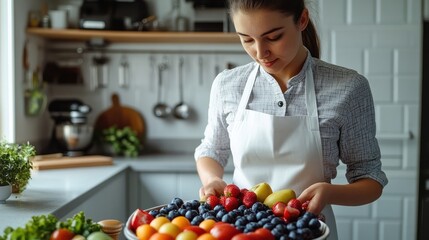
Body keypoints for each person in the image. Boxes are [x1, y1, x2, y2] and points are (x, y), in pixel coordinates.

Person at [194, 0, 388, 239]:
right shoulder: (227, 85)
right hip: (241, 230)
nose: (260, 52)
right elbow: (211, 149)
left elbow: (370, 179)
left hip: (308, 231)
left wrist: (329, 192)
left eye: (273, 37)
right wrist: (212, 179)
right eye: (247, 39)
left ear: (302, 20)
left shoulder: (348, 88)